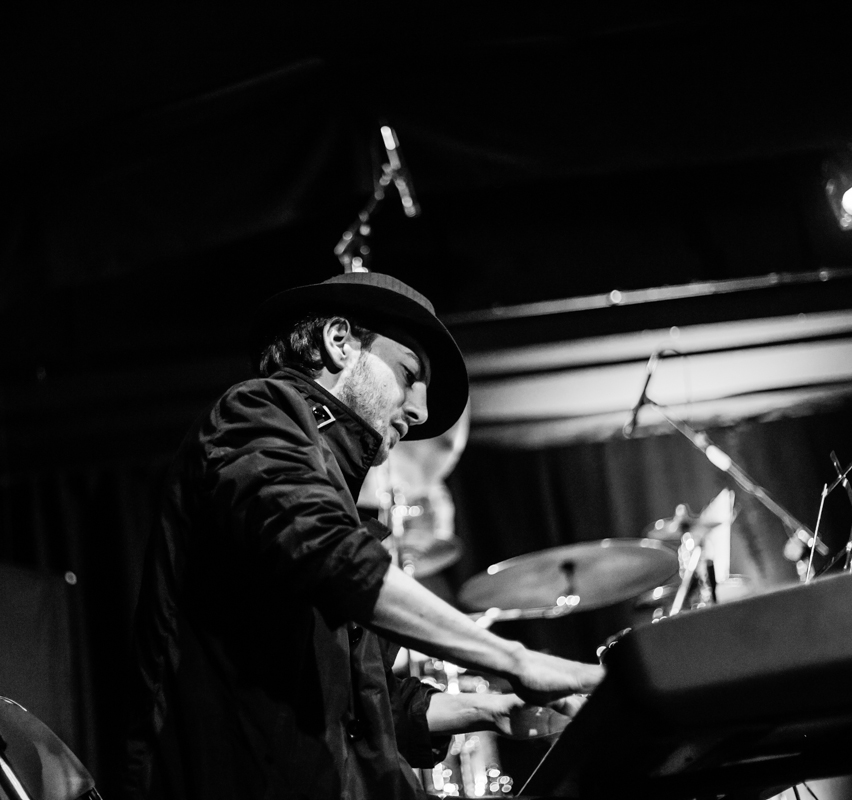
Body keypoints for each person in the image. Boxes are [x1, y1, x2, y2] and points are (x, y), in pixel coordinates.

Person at [123, 270, 603, 800]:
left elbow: (355, 702)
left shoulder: (328, 486)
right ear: (339, 341)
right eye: (409, 374)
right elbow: (334, 559)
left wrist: (491, 710)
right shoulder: (256, 413)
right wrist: (517, 660)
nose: (420, 410)